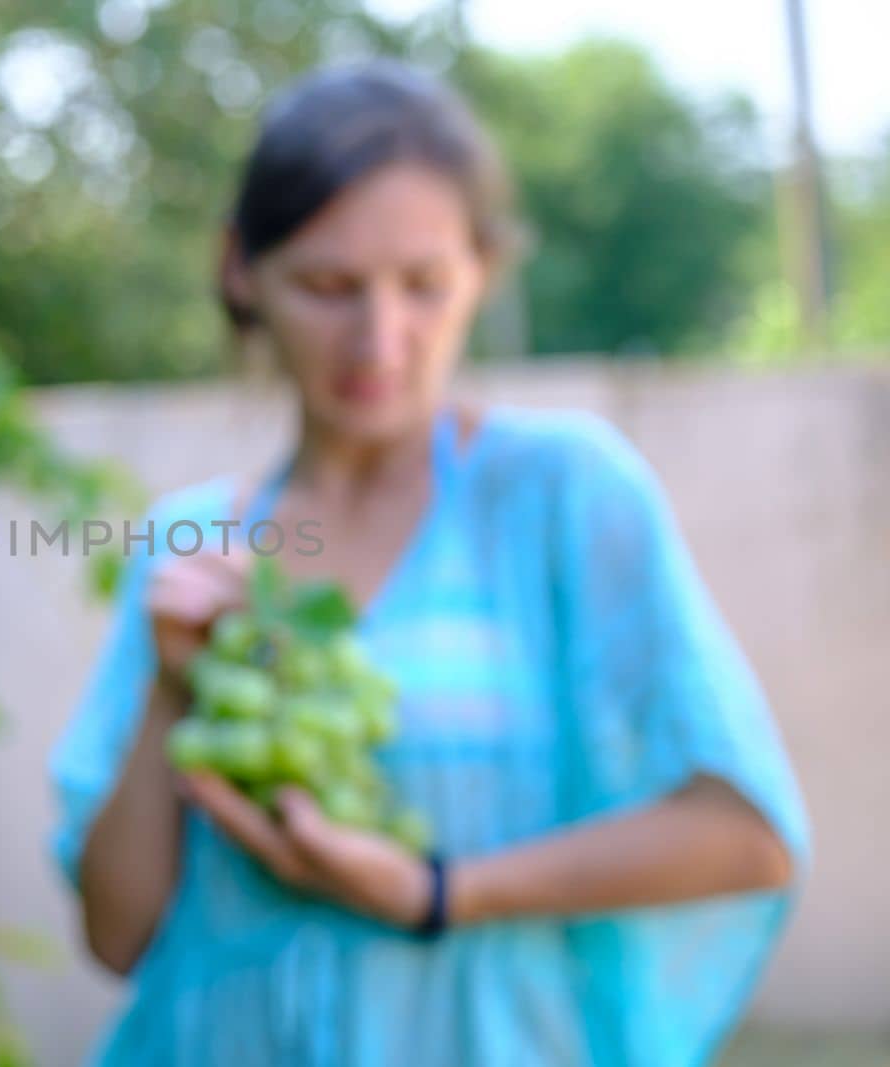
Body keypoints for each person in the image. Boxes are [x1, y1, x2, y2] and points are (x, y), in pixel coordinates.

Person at [46, 57, 811, 1067]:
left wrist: (437, 890)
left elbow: (743, 835)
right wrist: (168, 693)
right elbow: (117, 932)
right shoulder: (195, 539)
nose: (380, 337)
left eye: (424, 285)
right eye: (327, 285)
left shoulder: (563, 495)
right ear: (242, 270)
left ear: (482, 272)